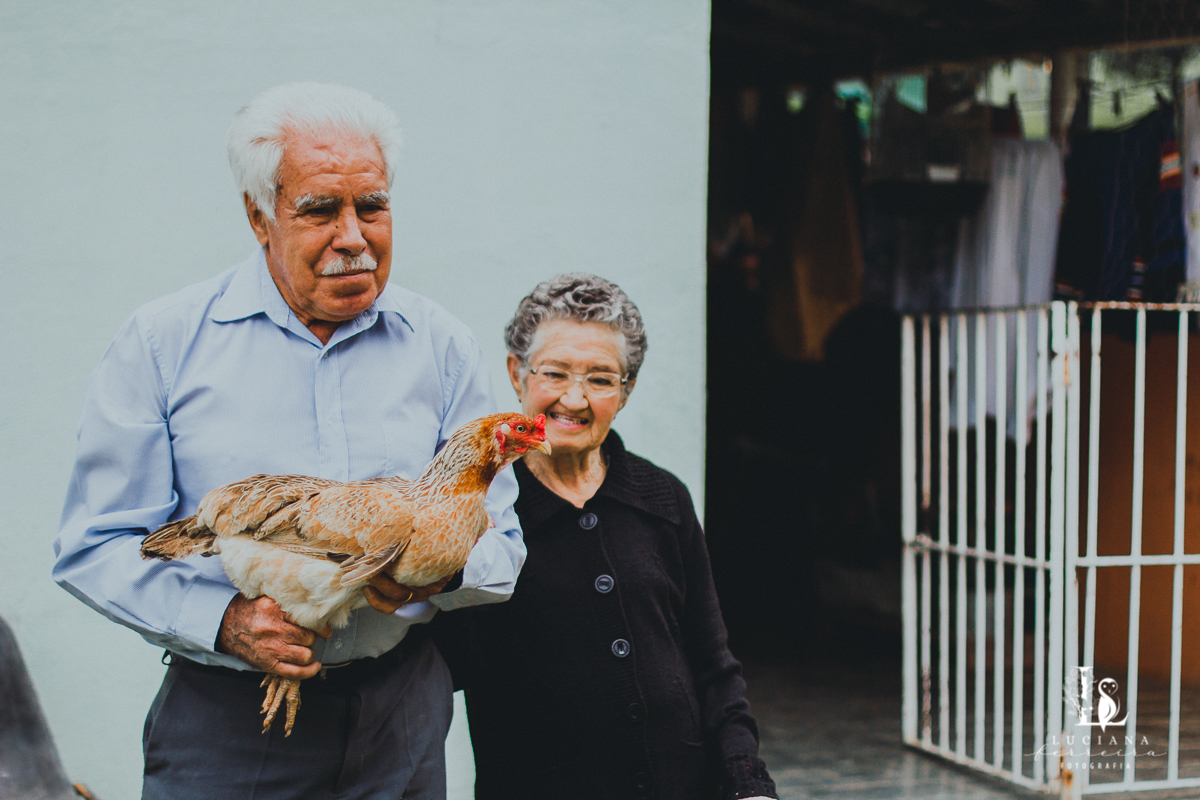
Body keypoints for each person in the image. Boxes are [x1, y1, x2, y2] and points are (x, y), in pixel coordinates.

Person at [52, 82, 524, 800]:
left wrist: (438, 572)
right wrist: (226, 621)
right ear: (259, 216)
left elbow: (504, 545)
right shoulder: (164, 343)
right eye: (320, 210)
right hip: (231, 725)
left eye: (372, 206)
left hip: (400, 715)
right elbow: (97, 544)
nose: (354, 237)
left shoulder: (443, 347)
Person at [433, 274, 778, 800]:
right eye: (555, 373)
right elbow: (444, 665)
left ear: (626, 391)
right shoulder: (485, 514)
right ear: (516, 375)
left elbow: (712, 663)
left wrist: (747, 781)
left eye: (600, 378)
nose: (574, 398)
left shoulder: (663, 499)